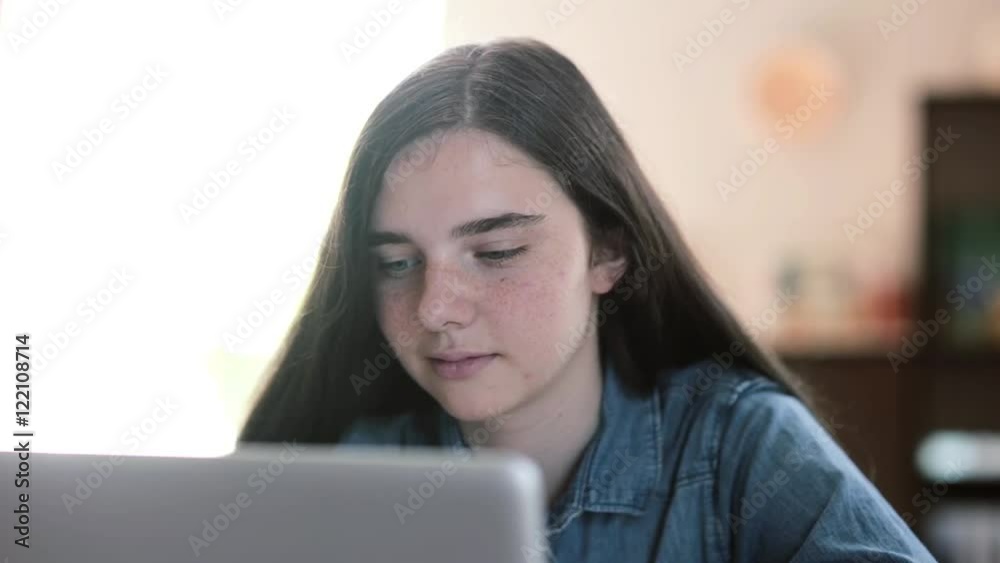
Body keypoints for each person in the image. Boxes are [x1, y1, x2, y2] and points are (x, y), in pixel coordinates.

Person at [239, 38, 936, 562]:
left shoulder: (738, 444)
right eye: (396, 263)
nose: (434, 308)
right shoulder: (346, 471)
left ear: (609, 251)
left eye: (498, 252)